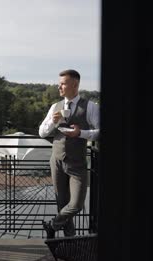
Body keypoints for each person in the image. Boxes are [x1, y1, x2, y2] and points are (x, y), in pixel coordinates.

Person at [39, 69, 100, 238]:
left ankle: (53, 225)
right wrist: (53, 121)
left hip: (77, 163)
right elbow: (42, 133)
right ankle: (69, 242)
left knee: (76, 204)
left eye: (63, 84)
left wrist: (80, 134)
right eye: (59, 84)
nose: (59, 87)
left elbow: (99, 131)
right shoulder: (55, 107)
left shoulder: (91, 107)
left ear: (75, 84)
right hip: (56, 161)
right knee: (61, 203)